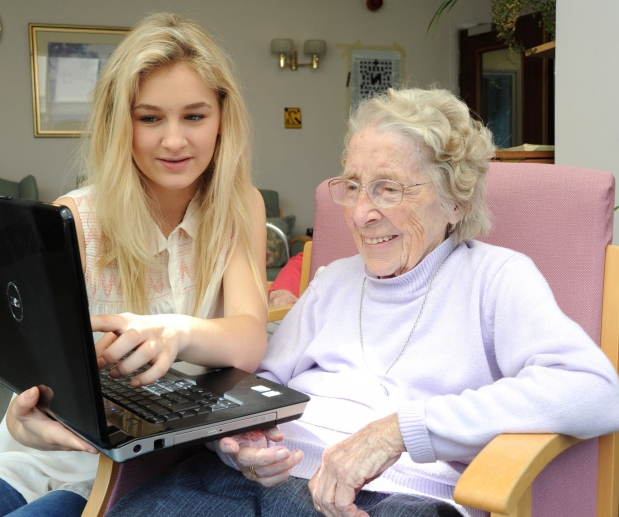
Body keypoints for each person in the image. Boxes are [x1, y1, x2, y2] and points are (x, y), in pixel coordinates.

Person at [106, 87, 619, 517]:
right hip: (256, 485)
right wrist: (240, 442)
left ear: (455, 198)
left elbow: (595, 390)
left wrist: (399, 431)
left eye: (387, 189)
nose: (360, 213)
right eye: (351, 186)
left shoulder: (495, 278)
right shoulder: (334, 281)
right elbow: (261, 388)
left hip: (393, 496)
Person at [0, 12, 267, 517]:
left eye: (194, 116)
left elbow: (250, 338)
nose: (174, 141)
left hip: (129, 476)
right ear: (119, 120)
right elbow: (34, 376)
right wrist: (19, 418)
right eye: (150, 118)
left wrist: (176, 332)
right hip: (45, 457)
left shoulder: (239, 206)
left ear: (222, 117)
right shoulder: (78, 219)